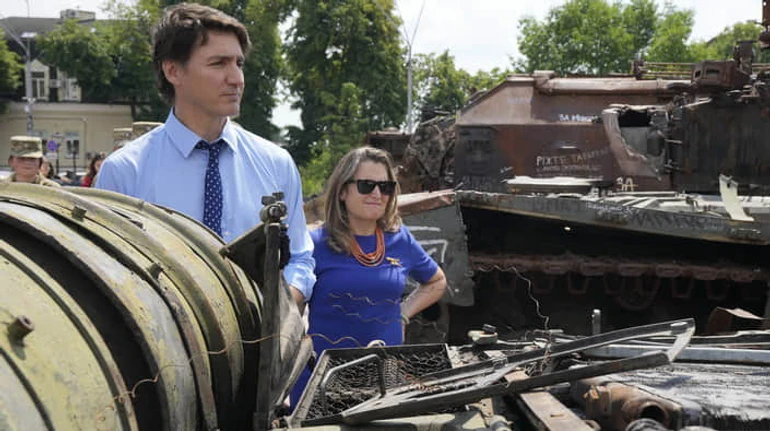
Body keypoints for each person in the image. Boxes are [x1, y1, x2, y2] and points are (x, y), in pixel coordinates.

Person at [94, 3, 315, 298]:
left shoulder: (275, 163)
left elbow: (300, 258)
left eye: (239, 63)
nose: (236, 78)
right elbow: (106, 271)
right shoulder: (124, 172)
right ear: (173, 70)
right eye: (218, 63)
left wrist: (280, 308)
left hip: (262, 338)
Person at [290, 147, 447, 406]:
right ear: (342, 191)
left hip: (383, 382)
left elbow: (436, 281)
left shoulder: (400, 239)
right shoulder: (314, 244)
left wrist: (404, 314)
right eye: (366, 185)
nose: (377, 194)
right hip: (322, 384)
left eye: (385, 187)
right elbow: (291, 313)